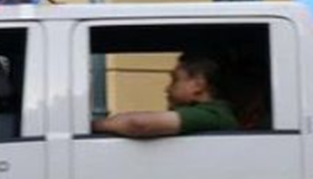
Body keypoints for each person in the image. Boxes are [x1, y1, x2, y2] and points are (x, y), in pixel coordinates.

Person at [92, 54, 239, 138]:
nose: (167, 89)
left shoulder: (213, 114)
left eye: (175, 80)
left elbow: (139, 124)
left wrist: (95, 125)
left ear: (198, 86)